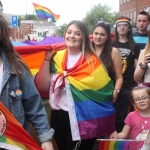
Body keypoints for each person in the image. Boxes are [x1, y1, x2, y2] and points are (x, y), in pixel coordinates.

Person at [35, 20, 116, 150]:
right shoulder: (55, 57)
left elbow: (103, 92)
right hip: (59, 117)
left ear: (83, 37)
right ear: (65, 34)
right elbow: (43, 87)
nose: (72, 36)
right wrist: (46, 58)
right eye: (69, 32)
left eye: (77, 34)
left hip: (85, 117)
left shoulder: (92, 62)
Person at [0, 15, 54, 150]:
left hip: (13, 144)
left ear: (1, 33)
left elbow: (33, 105)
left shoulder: (17, 68)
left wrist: (45, 138)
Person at [112, 16, 140, 133]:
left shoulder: (134, 46)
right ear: (116, 28)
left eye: (125, 25)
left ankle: (118, 136)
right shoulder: (111, 45)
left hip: (127, 84)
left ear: (129, 28)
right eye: (119, 25)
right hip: (111, 84)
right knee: (110, 113)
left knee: (122, 115)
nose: (122, 27)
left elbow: (137, 65)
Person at [92, 21, 123, 103]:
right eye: (96, 33)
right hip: (87, 94)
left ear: (108, 37)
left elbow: (119, 77)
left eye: (102, 34)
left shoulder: (113, 52)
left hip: (106, 94)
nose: (98, 37)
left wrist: (116, 91)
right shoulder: (86, 50)